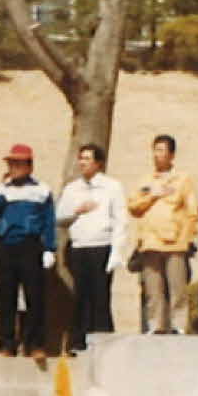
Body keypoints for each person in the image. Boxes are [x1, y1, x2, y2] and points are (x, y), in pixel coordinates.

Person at [0, 143, 57, 363]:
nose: (13, 167)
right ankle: (6, 344)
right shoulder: (2, 189)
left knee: (35, 297)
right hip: (6, 246)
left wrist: (50, 249)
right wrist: (1, 193)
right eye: (11, 163)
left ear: (29, 165)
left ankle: (35, 344)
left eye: (18, 163)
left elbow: (49, 221)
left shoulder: (42, 189)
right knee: (6, 298)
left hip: (31, 246)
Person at [58, 143, 130, 353]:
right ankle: (79, 341)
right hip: (79, 247)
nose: (82, 162)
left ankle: (103, 341)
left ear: (98, 163)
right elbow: (60, 216)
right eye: (80, 158)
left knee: (100, 295)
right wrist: (76, 210)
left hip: (101, 246)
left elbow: (120, 219)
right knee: (80, 295)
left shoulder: (112, 186)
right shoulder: (73, 188)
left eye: (87, 158)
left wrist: (117, 251)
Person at [125, 133, 198, 335]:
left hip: (175, 241)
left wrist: (187, 238)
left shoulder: (183, 179)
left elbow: (192, 211)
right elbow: (133, 207)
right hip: (150, 241)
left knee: (177, 288)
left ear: (171, 155)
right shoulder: (145, 180)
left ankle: (179, 325)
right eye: (155, 150)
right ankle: (155, 324)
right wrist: (152, 195)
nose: (157, 155)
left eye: (161, 151)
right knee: (153, 289)